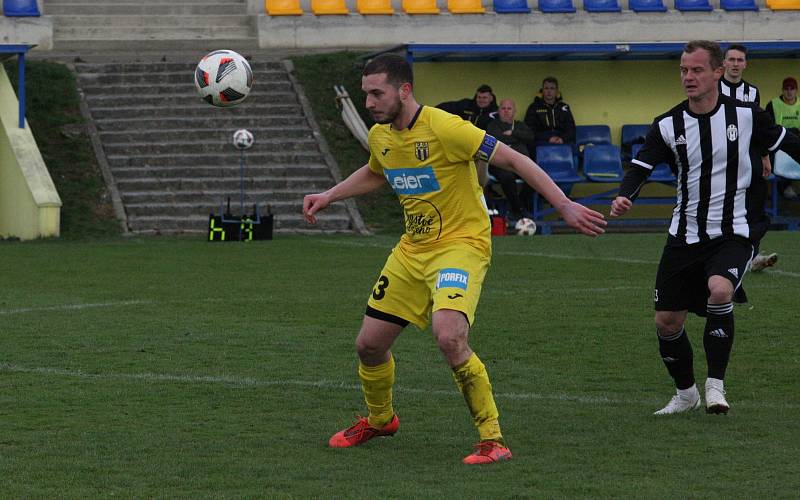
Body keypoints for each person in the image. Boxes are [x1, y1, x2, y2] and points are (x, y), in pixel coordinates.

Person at [303, 54, 606, 464]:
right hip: (412, 250)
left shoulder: (446, 127)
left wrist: (565, 205)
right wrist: (329, 195)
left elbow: (513, 160)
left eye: (377, 93)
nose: (369, 102)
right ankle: (380, 419)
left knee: (449, 335)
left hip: (461, 245)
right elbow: (378, 170)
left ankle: (492, 440)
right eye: (366, 94)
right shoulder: (381, 135)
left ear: (404, 90)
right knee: (369, 346)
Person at [610, 40, 800, 416]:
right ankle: (686, 393)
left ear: (717, 72)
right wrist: (624, 195)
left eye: (697, 70)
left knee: (719, 288)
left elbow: (789, 142)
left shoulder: (747, 116)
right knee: (666, 321)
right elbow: (641, 166)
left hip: (736, 230)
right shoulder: (667, 124)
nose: (688, 77)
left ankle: (716, 385)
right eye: (683, 70)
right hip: (685, 233)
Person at [718, 43, 778, 272]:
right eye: (731, 59)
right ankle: (717, 253)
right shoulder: (713, 88)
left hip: (749, 156)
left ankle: (751, 255)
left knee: (755, 206)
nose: (734, 64)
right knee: (723, 206)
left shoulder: (752, 92)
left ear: (745, 64)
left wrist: (764, 156)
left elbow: (758, 127)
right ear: (723, 63)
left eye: (739, 60)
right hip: (720, 157)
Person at [485, 99, 536, 220]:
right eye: (503, 108)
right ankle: (518, 210)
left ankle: (519, 206)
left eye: (509, 108)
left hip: (521, 164)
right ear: (498, 110)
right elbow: (495, 139)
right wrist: (517, 138)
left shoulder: (520, 125)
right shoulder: (493, 125)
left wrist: (513, 133)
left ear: (514, 111)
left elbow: (530, 137)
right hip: (500, 165)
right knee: (507, 178)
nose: (506, 111)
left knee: (534, 177)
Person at [766, 76, 800, 201]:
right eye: (786, 89)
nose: (789, 92)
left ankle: (788, 188)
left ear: (796, 90)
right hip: (779, 142)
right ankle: (782, 189)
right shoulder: (773, 104)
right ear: (782, 90)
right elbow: (768, 129)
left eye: (792, 89)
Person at [523, 76, 576, 154]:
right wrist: (548, 138)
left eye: (552, 88)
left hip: (561, 140)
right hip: (541, 141)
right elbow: (529, 130)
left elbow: (571, 129)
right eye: (546, 88)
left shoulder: (564, 107)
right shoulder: (533, 107)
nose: (549, 91)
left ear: (557, 91)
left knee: (574, 149)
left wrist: (562, 139)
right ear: (542, 91)